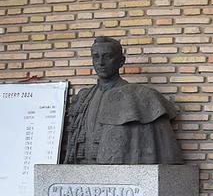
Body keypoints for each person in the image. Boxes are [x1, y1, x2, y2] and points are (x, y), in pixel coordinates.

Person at [64, 35, 184, 165]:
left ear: (121, 61)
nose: (101, 62)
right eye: (96, 57)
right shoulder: (84, 98)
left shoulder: (140, 96)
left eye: (107, 56)